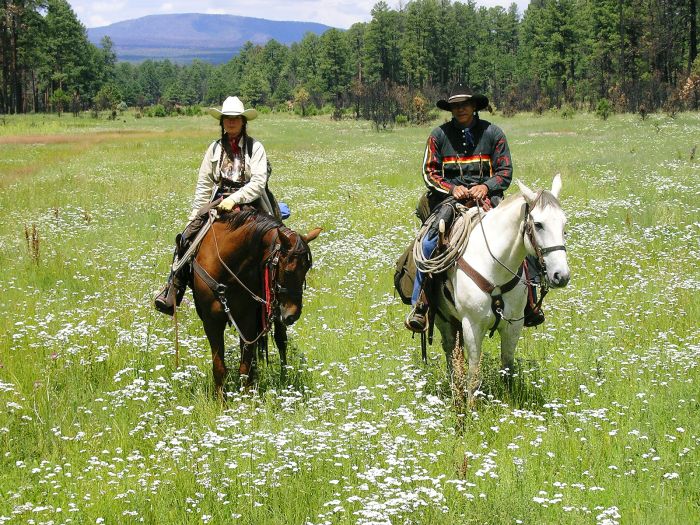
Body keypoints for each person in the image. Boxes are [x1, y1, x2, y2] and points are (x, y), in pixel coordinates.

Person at [406, 84, 544, 332]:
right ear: (451, 109)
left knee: (523, 237)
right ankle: (421, 305)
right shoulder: (438, 135)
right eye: (456, 106)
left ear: (474, 106)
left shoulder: (494, 133)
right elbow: (429, 172)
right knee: (428, 242)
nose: (461, 109)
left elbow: (505, 172)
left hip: (488, 200)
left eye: (465, 104)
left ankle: (530, 302)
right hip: (450, 201)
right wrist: (451, 189)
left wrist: (487, 186)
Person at [154, 96, 275, 315]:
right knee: (186, 238)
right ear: (222, 122)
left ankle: (276, 296)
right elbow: (204, 183)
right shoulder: (214, 148)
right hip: (218, 200)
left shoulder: (254, 147)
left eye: (235, 118)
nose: (231, 122)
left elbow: (258, 183)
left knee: (275, 243)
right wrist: (195, 213)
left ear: (243, 121)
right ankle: (173, 289)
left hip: (250, 201)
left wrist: (235, 199)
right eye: (227, 118)